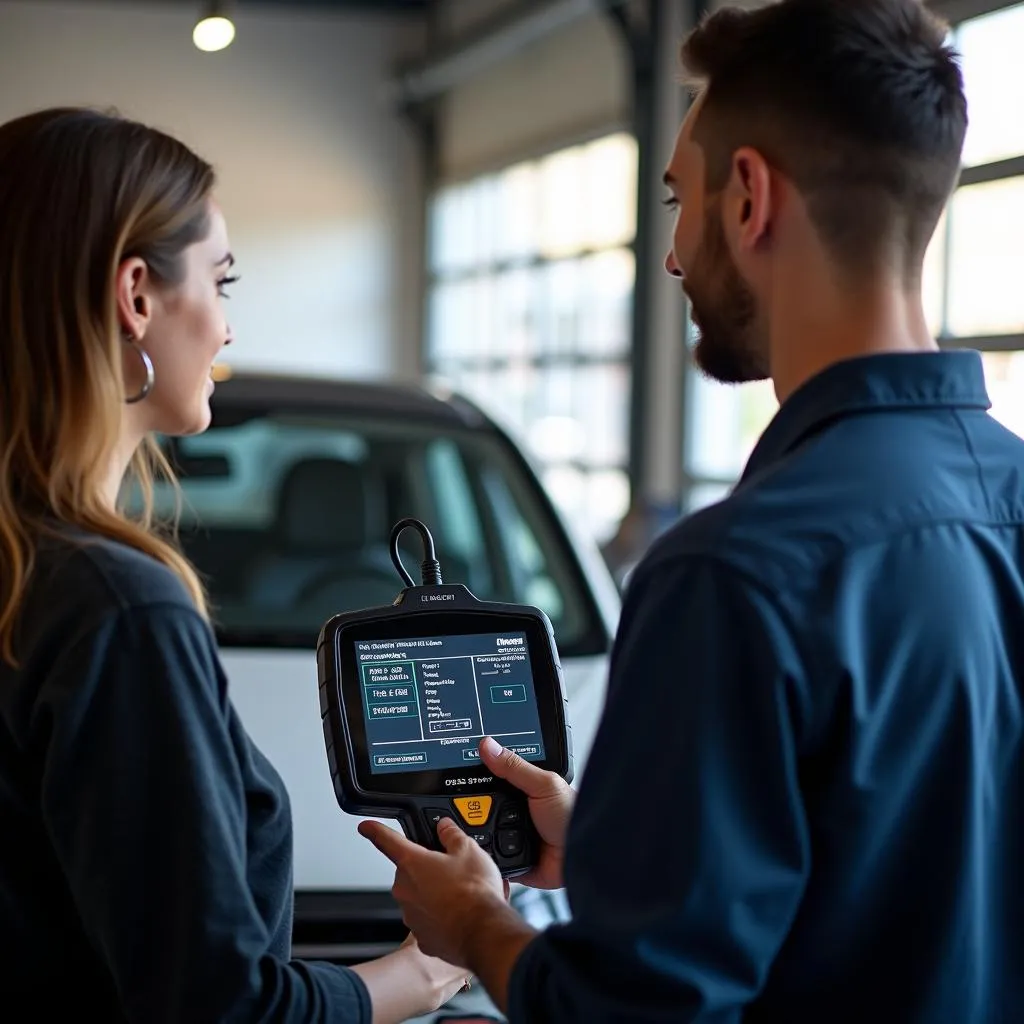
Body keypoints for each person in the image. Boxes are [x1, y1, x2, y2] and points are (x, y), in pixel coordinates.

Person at [361, 0, 1024, 1020]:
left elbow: (635, 1010)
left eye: (678, 197)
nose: (671, 255)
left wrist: (476, 926)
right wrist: (625, 845)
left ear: (748, 195)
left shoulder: (731, 572)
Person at [0, 106, 471, 1021]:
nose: (225, 328)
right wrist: (428, 972)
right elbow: (217, 1007)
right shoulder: (115, 607)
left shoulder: (37, 572)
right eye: (222, 280)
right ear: (136, 294)